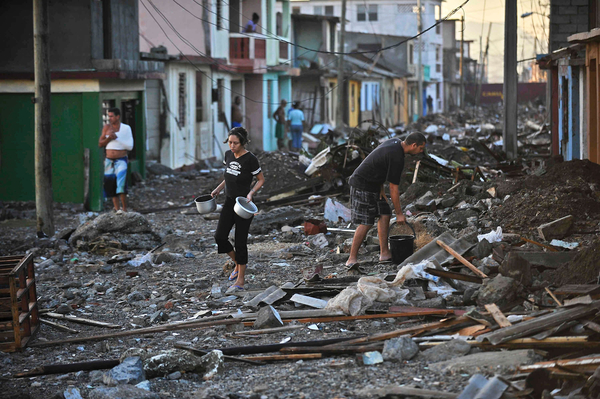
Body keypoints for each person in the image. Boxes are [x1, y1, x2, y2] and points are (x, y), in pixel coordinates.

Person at [345, 132, 426, 267]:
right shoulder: (397, 157)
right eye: (420, 148)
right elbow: (394, 189)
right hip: (362, 184)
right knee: (366, 222)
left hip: (374, 185)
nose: (421, 151)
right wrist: (399, 214)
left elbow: (379, 163)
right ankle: (351, 258)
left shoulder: (395, 142)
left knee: (385, 213)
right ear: (413, 145)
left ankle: (384, 253)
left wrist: (381, 188)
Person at [211, 127, 265, 293]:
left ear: (243, 143)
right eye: (230, 142)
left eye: (235, 143)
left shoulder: (250, 159)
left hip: (243, 205)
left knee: (240, 241)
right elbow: (228, 175)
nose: (232, 146)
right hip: (229, 202)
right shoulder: (228, 155)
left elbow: (261, 179)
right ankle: (239, 262)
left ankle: (240, 280)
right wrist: (219, 188)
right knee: (220, 236)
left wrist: (251, 192)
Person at [98, 107, 134, 212]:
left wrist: (117, 138)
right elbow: (100, 144)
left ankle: (124, 208)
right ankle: (117, 209)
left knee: (121, 184)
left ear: (118, 116)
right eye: (109, 116)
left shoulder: (126, 128)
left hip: (121, 159)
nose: (110, 118)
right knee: (111, 184)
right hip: (109, 160)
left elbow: (130, 146)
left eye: (112, 116)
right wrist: (109, 138)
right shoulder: (106, 128)